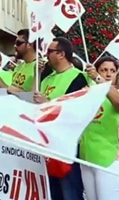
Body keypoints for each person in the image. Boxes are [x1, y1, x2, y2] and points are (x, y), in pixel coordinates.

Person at [34, 37, 88, 200]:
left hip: (66, 143)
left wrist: (48, 103)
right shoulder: (48, 78)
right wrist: (37, 73)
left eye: (49, 51)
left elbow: (76, 111)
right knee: (52, 190)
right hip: (47, 142)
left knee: (69, 190)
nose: (46, 55)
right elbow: (34, 100)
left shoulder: (78, 77)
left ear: (61, 54)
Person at [81, 58, 119, 200]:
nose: (108, 74)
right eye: (104, 70)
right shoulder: (89, 92)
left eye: (112, 71)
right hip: (87, 156)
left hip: (111, 159)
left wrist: (99, 79)